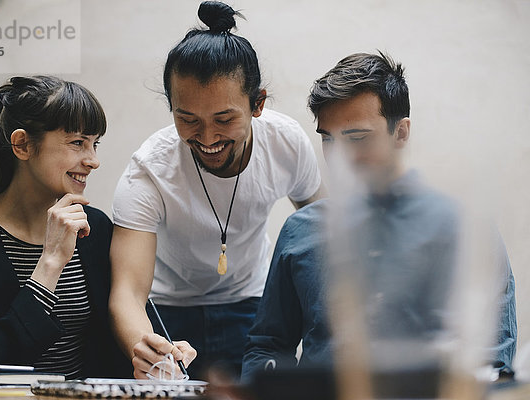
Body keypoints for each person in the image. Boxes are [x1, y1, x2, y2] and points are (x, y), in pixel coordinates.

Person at [241, 52, 517, 381]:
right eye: (328, 139)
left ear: (401, 133)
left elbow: (492, 360)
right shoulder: (300, 231)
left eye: (358, 138)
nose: (339, 157)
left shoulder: (467, 229)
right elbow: (268, 345)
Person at [110, 1, 323, 380]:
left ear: (257, 103)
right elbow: (127, 291)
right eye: (187, 119)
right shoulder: (148, 171)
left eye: (224, 119)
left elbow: (324, 230)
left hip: (252, 307)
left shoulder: (286, 143)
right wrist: (146, 347)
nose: (207, 138)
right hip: (166, 312)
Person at [0, 76, 132, 379]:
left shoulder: (96, 228)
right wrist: (50, 264)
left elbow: (108, 345)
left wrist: (149, 350)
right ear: (22, 145)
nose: (93, 161)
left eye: (95, 144)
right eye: (78, 142)